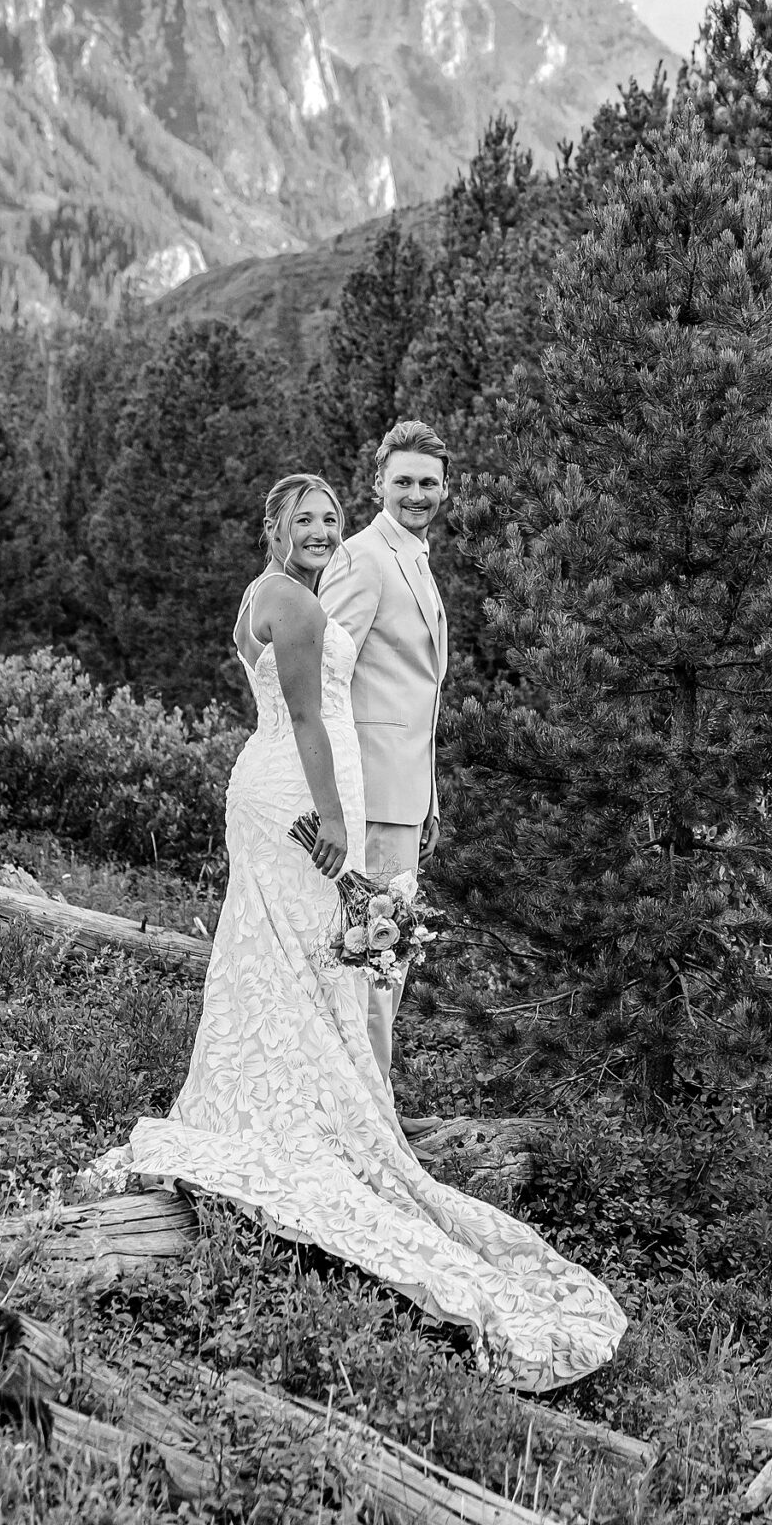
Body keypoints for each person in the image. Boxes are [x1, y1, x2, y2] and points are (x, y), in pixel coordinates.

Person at [83, 472, 625, 1392]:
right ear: (276, 529)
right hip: (300, 789)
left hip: (281, 780)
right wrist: (337, 821)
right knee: (298, 955)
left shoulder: (268, 595)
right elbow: (302, 716)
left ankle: (310, 1102)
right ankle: (301, 1119)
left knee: (286, 958)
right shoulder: (290, 601)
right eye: (308, 521)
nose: (325, 533)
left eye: (332, 520)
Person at [317, 418, 449, 1084]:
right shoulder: (362, 557)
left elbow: (413, 695)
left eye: (428, 482)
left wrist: (429, 798)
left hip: (404, 794)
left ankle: (366, 1099)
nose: (416, 493)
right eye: (403, 481)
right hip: (363, 793)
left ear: (445, 490)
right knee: (367, 954)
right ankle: (365, 1112)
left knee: (383, 958)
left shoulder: (415, 560)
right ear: (377, 485)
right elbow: (323, 677)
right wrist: (336, 798)